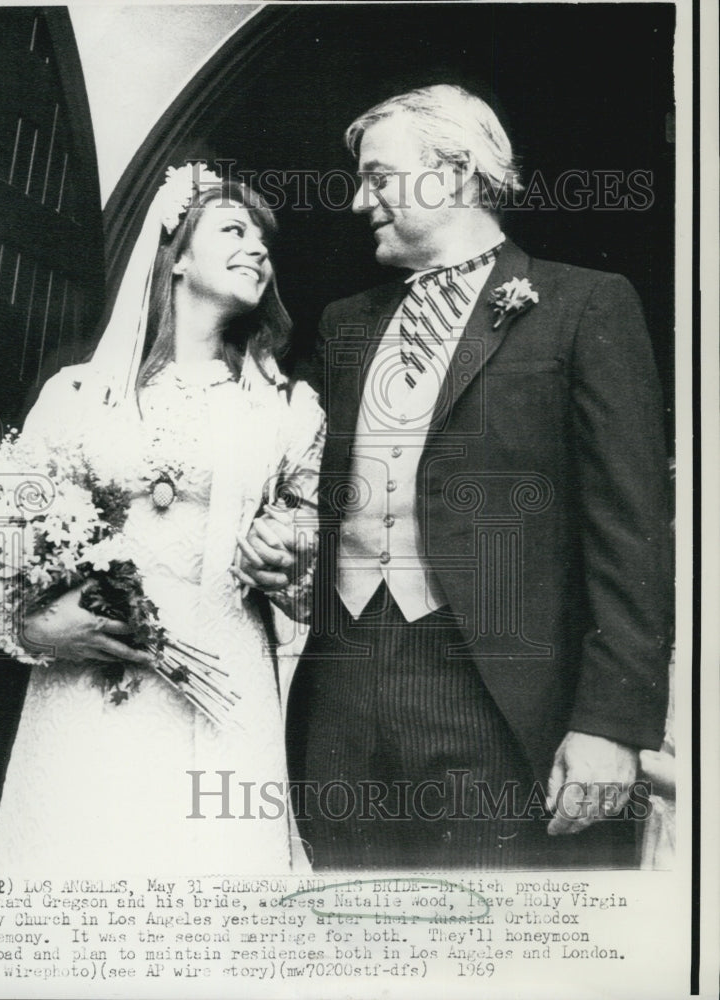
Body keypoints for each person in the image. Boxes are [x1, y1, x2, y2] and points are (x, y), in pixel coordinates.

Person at [284, 85, 673, 870]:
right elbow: (314, 499)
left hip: (495, 693)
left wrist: (611, 724)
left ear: (455, 171)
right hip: (339, 683)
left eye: (377, 176)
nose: (359, 201)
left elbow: (629, 529)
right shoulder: (342, 323)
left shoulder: (582, 305)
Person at [0, 165, 325, 872]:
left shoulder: (288, 408)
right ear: (176, 256)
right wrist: (34, 626)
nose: (258, 247)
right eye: (234, 229)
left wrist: (288, 565)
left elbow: (317, 579)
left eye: (264, 240)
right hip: (86, 690)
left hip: (225, 691)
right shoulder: (74, 396)